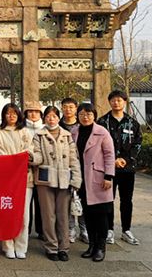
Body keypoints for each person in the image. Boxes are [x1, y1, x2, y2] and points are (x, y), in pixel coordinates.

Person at [33, 106, 82, 262]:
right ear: (44, 118)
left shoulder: (67, 136)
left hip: (64, 179)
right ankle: (51, 247)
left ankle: (63, 248)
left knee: (63, 215)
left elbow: (74, 159)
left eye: (54, 116)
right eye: (48, 116)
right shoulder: (38, 135)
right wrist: (31, 157)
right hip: (45, 179)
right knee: (48, 215)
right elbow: (38, 156)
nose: (51, 119)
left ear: (58, 118)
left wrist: (76, 180)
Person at [97, 90, 142, 246]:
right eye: (113, 100)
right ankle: (109, 230)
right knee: (108, 199)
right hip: (108, 169)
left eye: (119, 100)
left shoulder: (133, 123)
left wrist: (125, 159)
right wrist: (113, 160)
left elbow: (137, 144)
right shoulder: (102, 122)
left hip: (127, 168)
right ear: (109, 102)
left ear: (124, 102)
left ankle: (126, 230)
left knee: (127, 200)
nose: (116, 103)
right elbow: (98, 144)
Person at [71, 103, 115, 262]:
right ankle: (91, 245)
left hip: (98, 178)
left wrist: (108, 176)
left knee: (101, 214)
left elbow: (110, 154)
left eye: (89, 114)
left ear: (94, 116)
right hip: (82, 178)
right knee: (88, 214)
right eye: (82, 114)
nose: (85, 117)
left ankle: (101, 247)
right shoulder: (74, 132)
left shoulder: (102, 132)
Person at [0, 103, 36, 259]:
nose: (11, 116)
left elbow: (30, 150)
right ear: (4, 115)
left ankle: (21, 246)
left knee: (24, 214)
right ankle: (8, 245)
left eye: (14, 113)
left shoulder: (25, 132)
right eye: (8, 113)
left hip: (25, 177)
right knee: (7, 212)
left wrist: (21, 158)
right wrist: (17, 159)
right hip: (6, 179)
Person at [59, 97, 87, 244]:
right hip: (62, 167)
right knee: (66, 199)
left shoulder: (82, 125)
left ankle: (84, 228)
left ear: (76, 108)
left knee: (81, 198)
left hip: (81, 166)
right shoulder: (58, 125)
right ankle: (70, 229)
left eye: (71, 107)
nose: (68, 109)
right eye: (65, 106)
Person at [24, 101, 44, 240]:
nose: (33, 114)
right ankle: (26, 229)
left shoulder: (45, 128)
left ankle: (41, 230)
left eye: (36, 112)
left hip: (42, 168)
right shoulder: (22, 129)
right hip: (26, 170)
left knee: (41, 201)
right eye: (30, 111)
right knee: (26, 202)